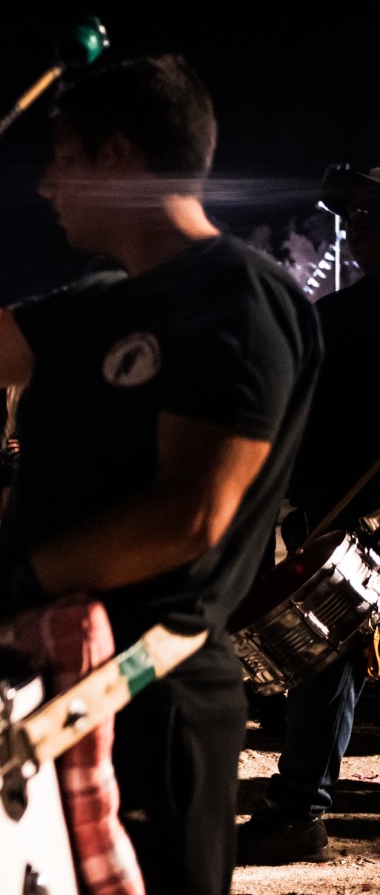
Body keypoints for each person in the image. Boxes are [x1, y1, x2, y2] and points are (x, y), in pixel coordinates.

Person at [0, 55, 321, 894]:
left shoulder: (238, 296)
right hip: (53, 679)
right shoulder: (92, 304)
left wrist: (16, 576)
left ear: (118, 157)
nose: (48, 184)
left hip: (150, 700)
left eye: (63, 157)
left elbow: (190, 515)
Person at [237, 165, 380, 863]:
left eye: (371, 214)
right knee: (326, 658)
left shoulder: (337, 320)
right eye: (356, 215)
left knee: (328, 664)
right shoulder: (332, 318)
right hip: (342, 520)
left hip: (347, 518)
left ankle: (300, 808)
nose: (357, 227)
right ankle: (300, 811)